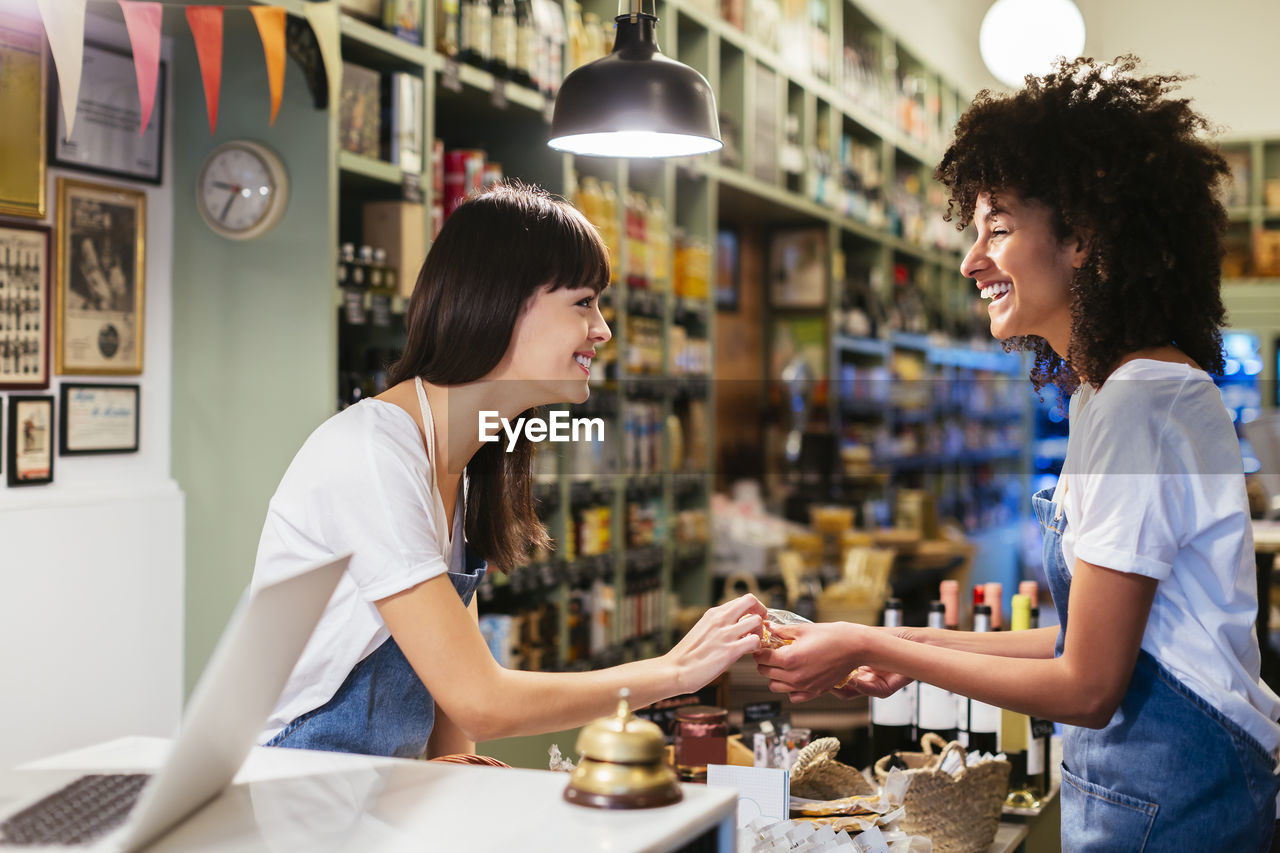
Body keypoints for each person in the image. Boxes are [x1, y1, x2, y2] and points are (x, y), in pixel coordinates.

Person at [754, 56, 1280, 851]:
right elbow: (1082, 641)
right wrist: (909, 650)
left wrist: (872, 642)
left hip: (1178, 811)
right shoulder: (1109, 393)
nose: (971, 260)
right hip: (1150, 795)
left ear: (1081, 235)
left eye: (997, 226)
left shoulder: (1139, 402)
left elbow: (1089, 685)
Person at [253, 182, 765, 759]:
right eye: (583, 302)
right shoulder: (372, 455)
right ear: (503, 302)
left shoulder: (462, 464)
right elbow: (480, 699)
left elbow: (450, 706)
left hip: (370, 790)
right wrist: (674, 672)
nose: (604, 330)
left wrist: (458, 767)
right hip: (291, 791)